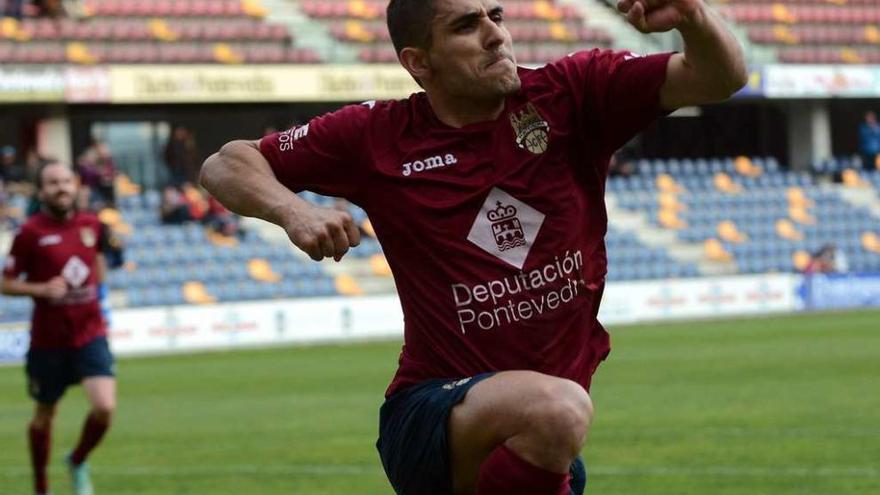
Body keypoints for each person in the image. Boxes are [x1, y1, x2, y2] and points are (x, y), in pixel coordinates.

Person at [200, 0, 746, 493]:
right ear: (419, 63)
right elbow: (225, 163)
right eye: (466, 25)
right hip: (434, 412)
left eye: (496, 16)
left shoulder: (572, 95)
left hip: (536, 438)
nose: (495, 35)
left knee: (556, 416)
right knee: (557, 409)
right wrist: (296, 210)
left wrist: (693, 17)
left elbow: (717, 78)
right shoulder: (378, 135)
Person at [2, 162, 116, 495]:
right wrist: (40, 289)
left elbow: (96, 261)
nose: (61, 188)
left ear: (76, 184)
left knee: (105, 407)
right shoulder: (29, 233)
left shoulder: (92, 224)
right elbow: (5, 283)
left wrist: (101, 295)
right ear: (42, 190)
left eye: (66, 181)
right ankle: (41, 486)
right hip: (49, 341)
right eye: (53, 183)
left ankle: (77, 459)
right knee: (44, 415)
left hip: (90, 333)